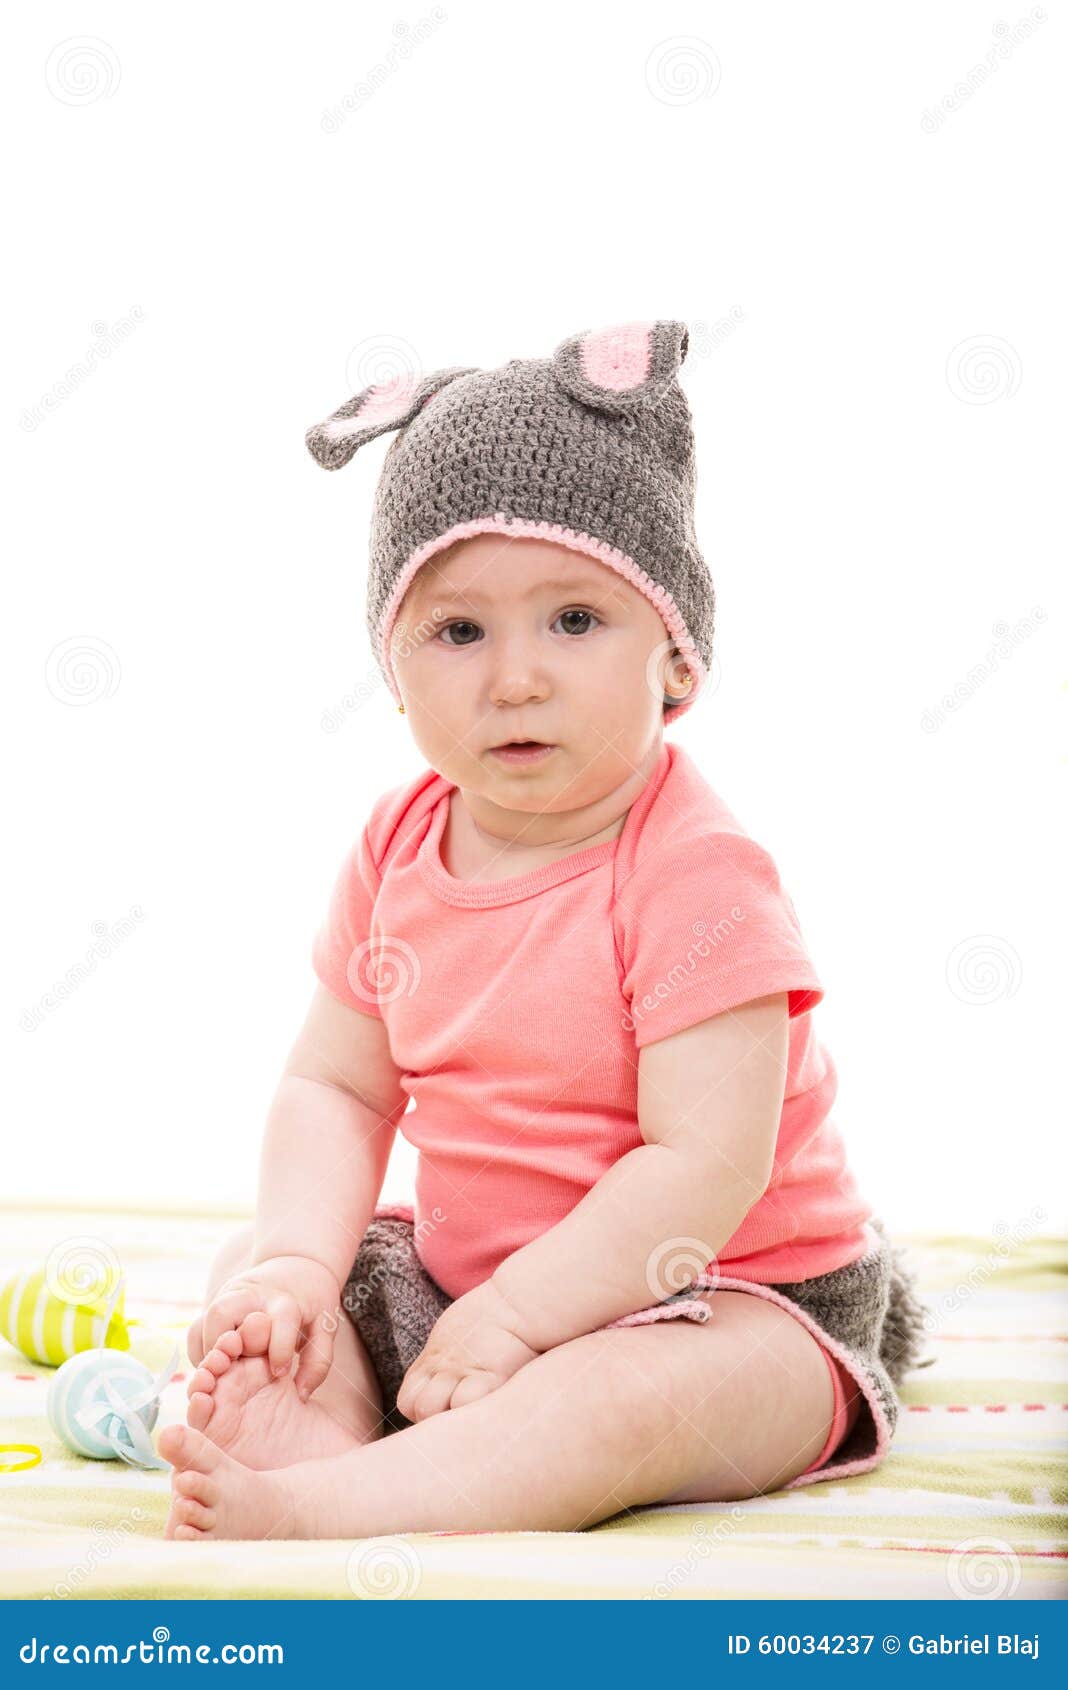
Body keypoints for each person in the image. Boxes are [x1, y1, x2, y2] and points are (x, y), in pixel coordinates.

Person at [160, 320, 929, 1540]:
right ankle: (338, 1418)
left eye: (574, 621)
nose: (514, 677)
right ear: (395, 668)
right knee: (262, 1270)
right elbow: (336, 1089)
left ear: (673, 654)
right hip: (473, 1293)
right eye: (459, 631)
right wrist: (302, 1270)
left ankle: (340, 1504)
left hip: (729, 1291)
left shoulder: (694, 871)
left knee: (618, 1398)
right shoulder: (397, 845)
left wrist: (522, 1319)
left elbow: (702, 1170)